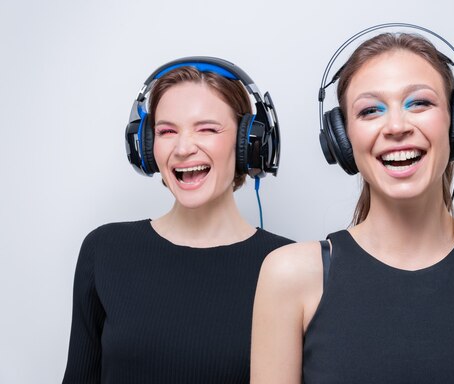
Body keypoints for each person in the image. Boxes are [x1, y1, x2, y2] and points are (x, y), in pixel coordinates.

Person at [251, 26, 454, 384]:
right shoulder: (290, 276)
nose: (396, 126)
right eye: (370, 111)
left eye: (420, 103)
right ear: (343, 140)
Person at [63, 57, 292, 383]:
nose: (183, 148)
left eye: (208, 129)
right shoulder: (106, 250)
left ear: (249, 144)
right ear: (145, 145)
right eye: (167, 131)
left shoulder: (288, 265)